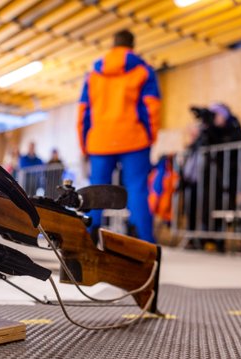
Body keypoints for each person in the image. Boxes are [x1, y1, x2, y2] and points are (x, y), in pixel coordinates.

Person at [78, 29, 160, 243]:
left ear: (113, 45)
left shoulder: (94, 75)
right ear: (132, 46)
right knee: (137, 190)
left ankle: (88, 240)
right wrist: (150, 136)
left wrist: (85, 144)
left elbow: (83, 111)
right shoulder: (143, 71)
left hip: (100, 141)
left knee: (96, 191)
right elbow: (152, 107)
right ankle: (146, 244)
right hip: (134, 139)